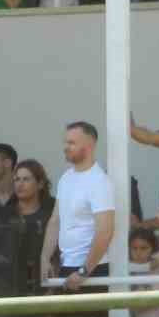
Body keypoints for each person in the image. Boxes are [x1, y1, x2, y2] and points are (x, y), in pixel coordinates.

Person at [42, 121, 115, 288]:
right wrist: (45, 259)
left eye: (71, 143)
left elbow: (105, 231)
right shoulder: (66, 178)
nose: (65, 147)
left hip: (91, 271)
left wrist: (84, 271)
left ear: (89, 145)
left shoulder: (99, 181)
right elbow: (55, 221)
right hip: (66, 266)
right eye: (65, 142)